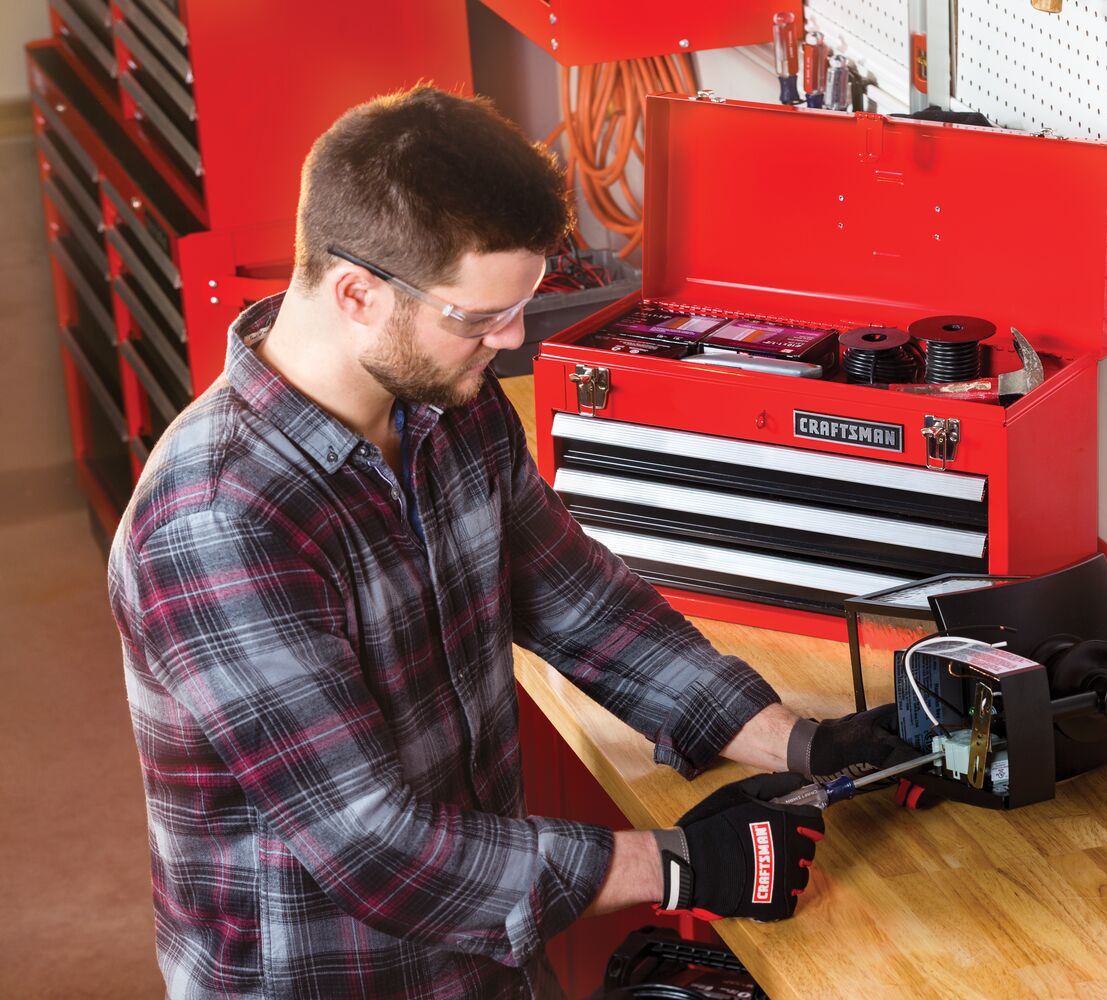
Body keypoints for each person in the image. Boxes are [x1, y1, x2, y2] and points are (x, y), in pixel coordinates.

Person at [106, 85, 918, 999]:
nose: (514, 337)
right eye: (477, 316)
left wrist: (802, 744)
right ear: (357, 293)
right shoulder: (220, 521)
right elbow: (374, 845)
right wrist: (678, 864)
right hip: (332, 974)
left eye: (521, 303)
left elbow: (581, 604)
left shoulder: (445, 404)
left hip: (484, 957)